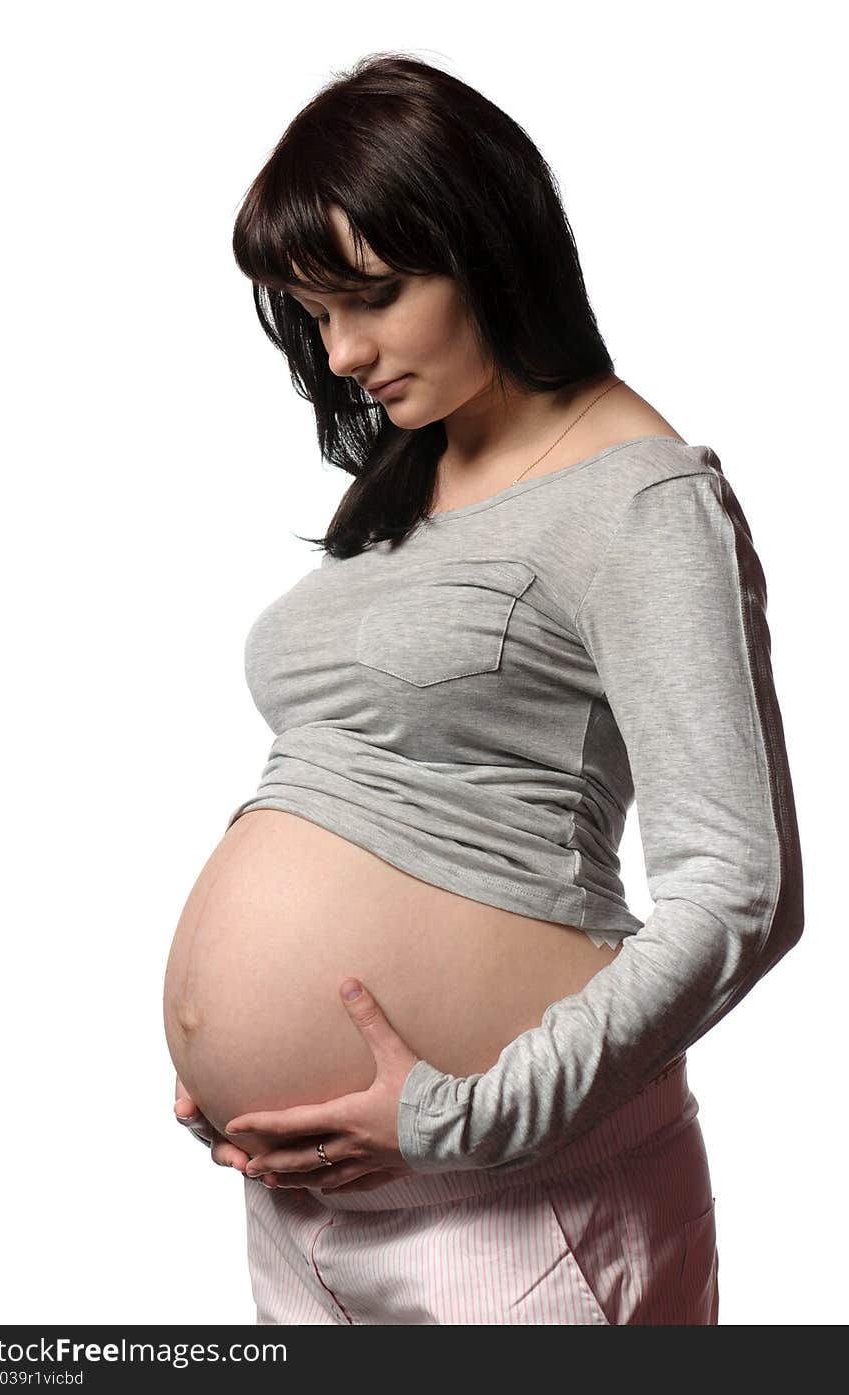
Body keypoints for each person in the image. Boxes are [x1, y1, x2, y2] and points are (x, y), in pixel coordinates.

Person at [171, 51, 804, 1325]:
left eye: (374, 298)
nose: (342, 351)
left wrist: (464, 1117)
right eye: (313, 312)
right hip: (305, 1212)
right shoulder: (413, 478)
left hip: (523, 1214)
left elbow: (741, 891)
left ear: (490, 246)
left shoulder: (641, 500)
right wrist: (235, 1066)